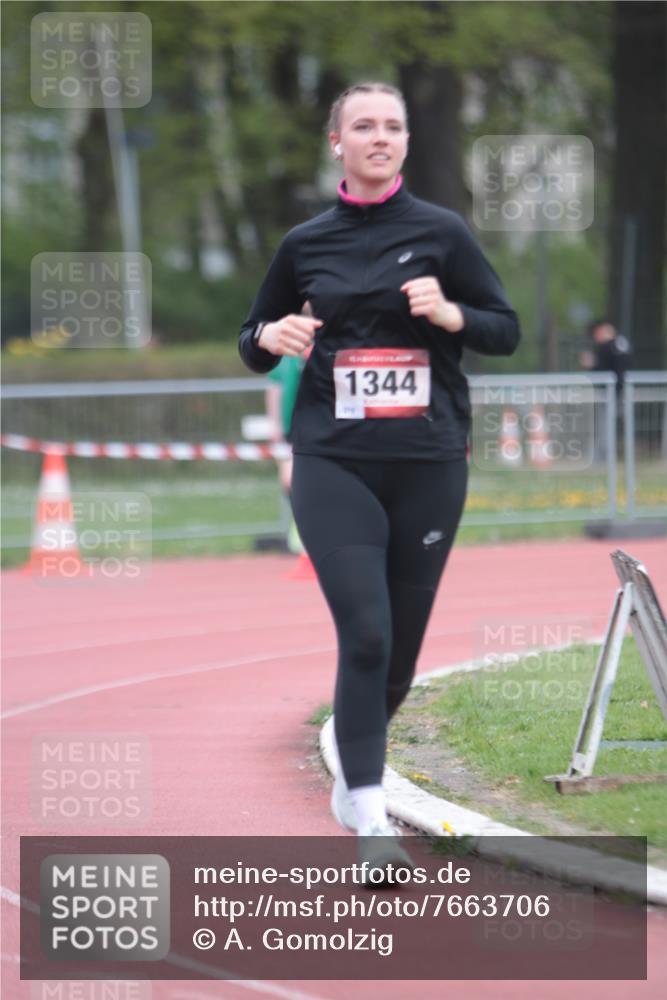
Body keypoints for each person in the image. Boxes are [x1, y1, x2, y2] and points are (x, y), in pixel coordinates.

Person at [239, 81, 520, 877]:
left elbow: (504, 330)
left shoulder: (443, 233)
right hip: (333, 459)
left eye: (392, 126)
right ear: (337, 142)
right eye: (362, 125)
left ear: (404, 142)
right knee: (365, 632)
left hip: (428, 463)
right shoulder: (304, 243)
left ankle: (351, 753)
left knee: (397, 653)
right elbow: (252, 339)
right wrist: (270, 334)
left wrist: (451, 315)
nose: (379, 137)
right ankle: (370, 815)